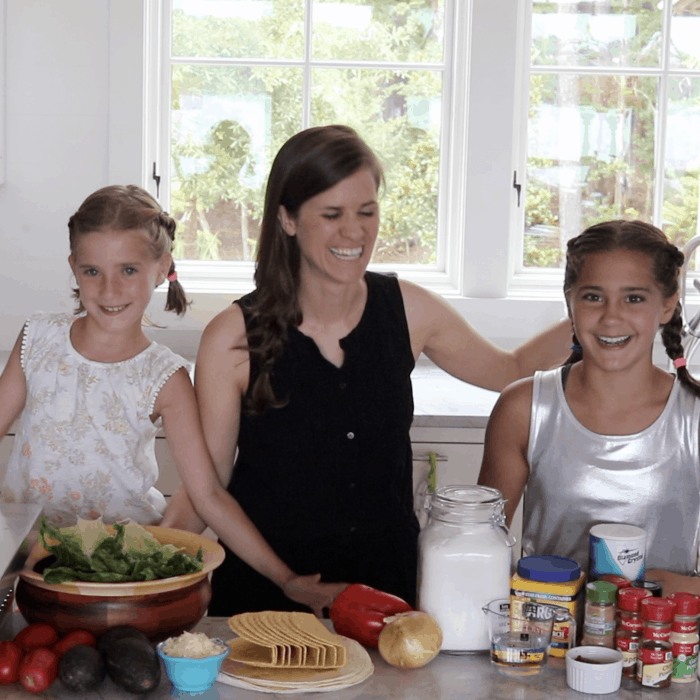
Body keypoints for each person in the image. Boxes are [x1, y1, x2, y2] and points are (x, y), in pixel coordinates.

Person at [161, 124, 573, 616]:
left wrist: (598, 311)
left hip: (390, 591)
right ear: (288, 219)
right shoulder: (231, 337)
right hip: (264, 597)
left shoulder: (409, 309)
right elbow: (210, 486)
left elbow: (512, 369)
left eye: (367, 212)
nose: (354, 232)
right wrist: (281, 579)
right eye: (331, 214)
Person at [0, 184, 343, 611]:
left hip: (118, 575)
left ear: (161, 268)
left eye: (128, 270)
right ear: (73, 266)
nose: (109, 290)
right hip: (27, 564)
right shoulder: (38, 339)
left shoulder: (166, 376)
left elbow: (207, 494)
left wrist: (287, 579)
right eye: (92, 271)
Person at [478, 219, 700, 596]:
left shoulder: (694, 417)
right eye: (594, 297)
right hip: (547, 642)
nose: (611, 317)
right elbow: (477, 549)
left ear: (667, 305)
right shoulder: (523, 409)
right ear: (570, 301)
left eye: (634, 298)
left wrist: (663, 587)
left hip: (667, 648)